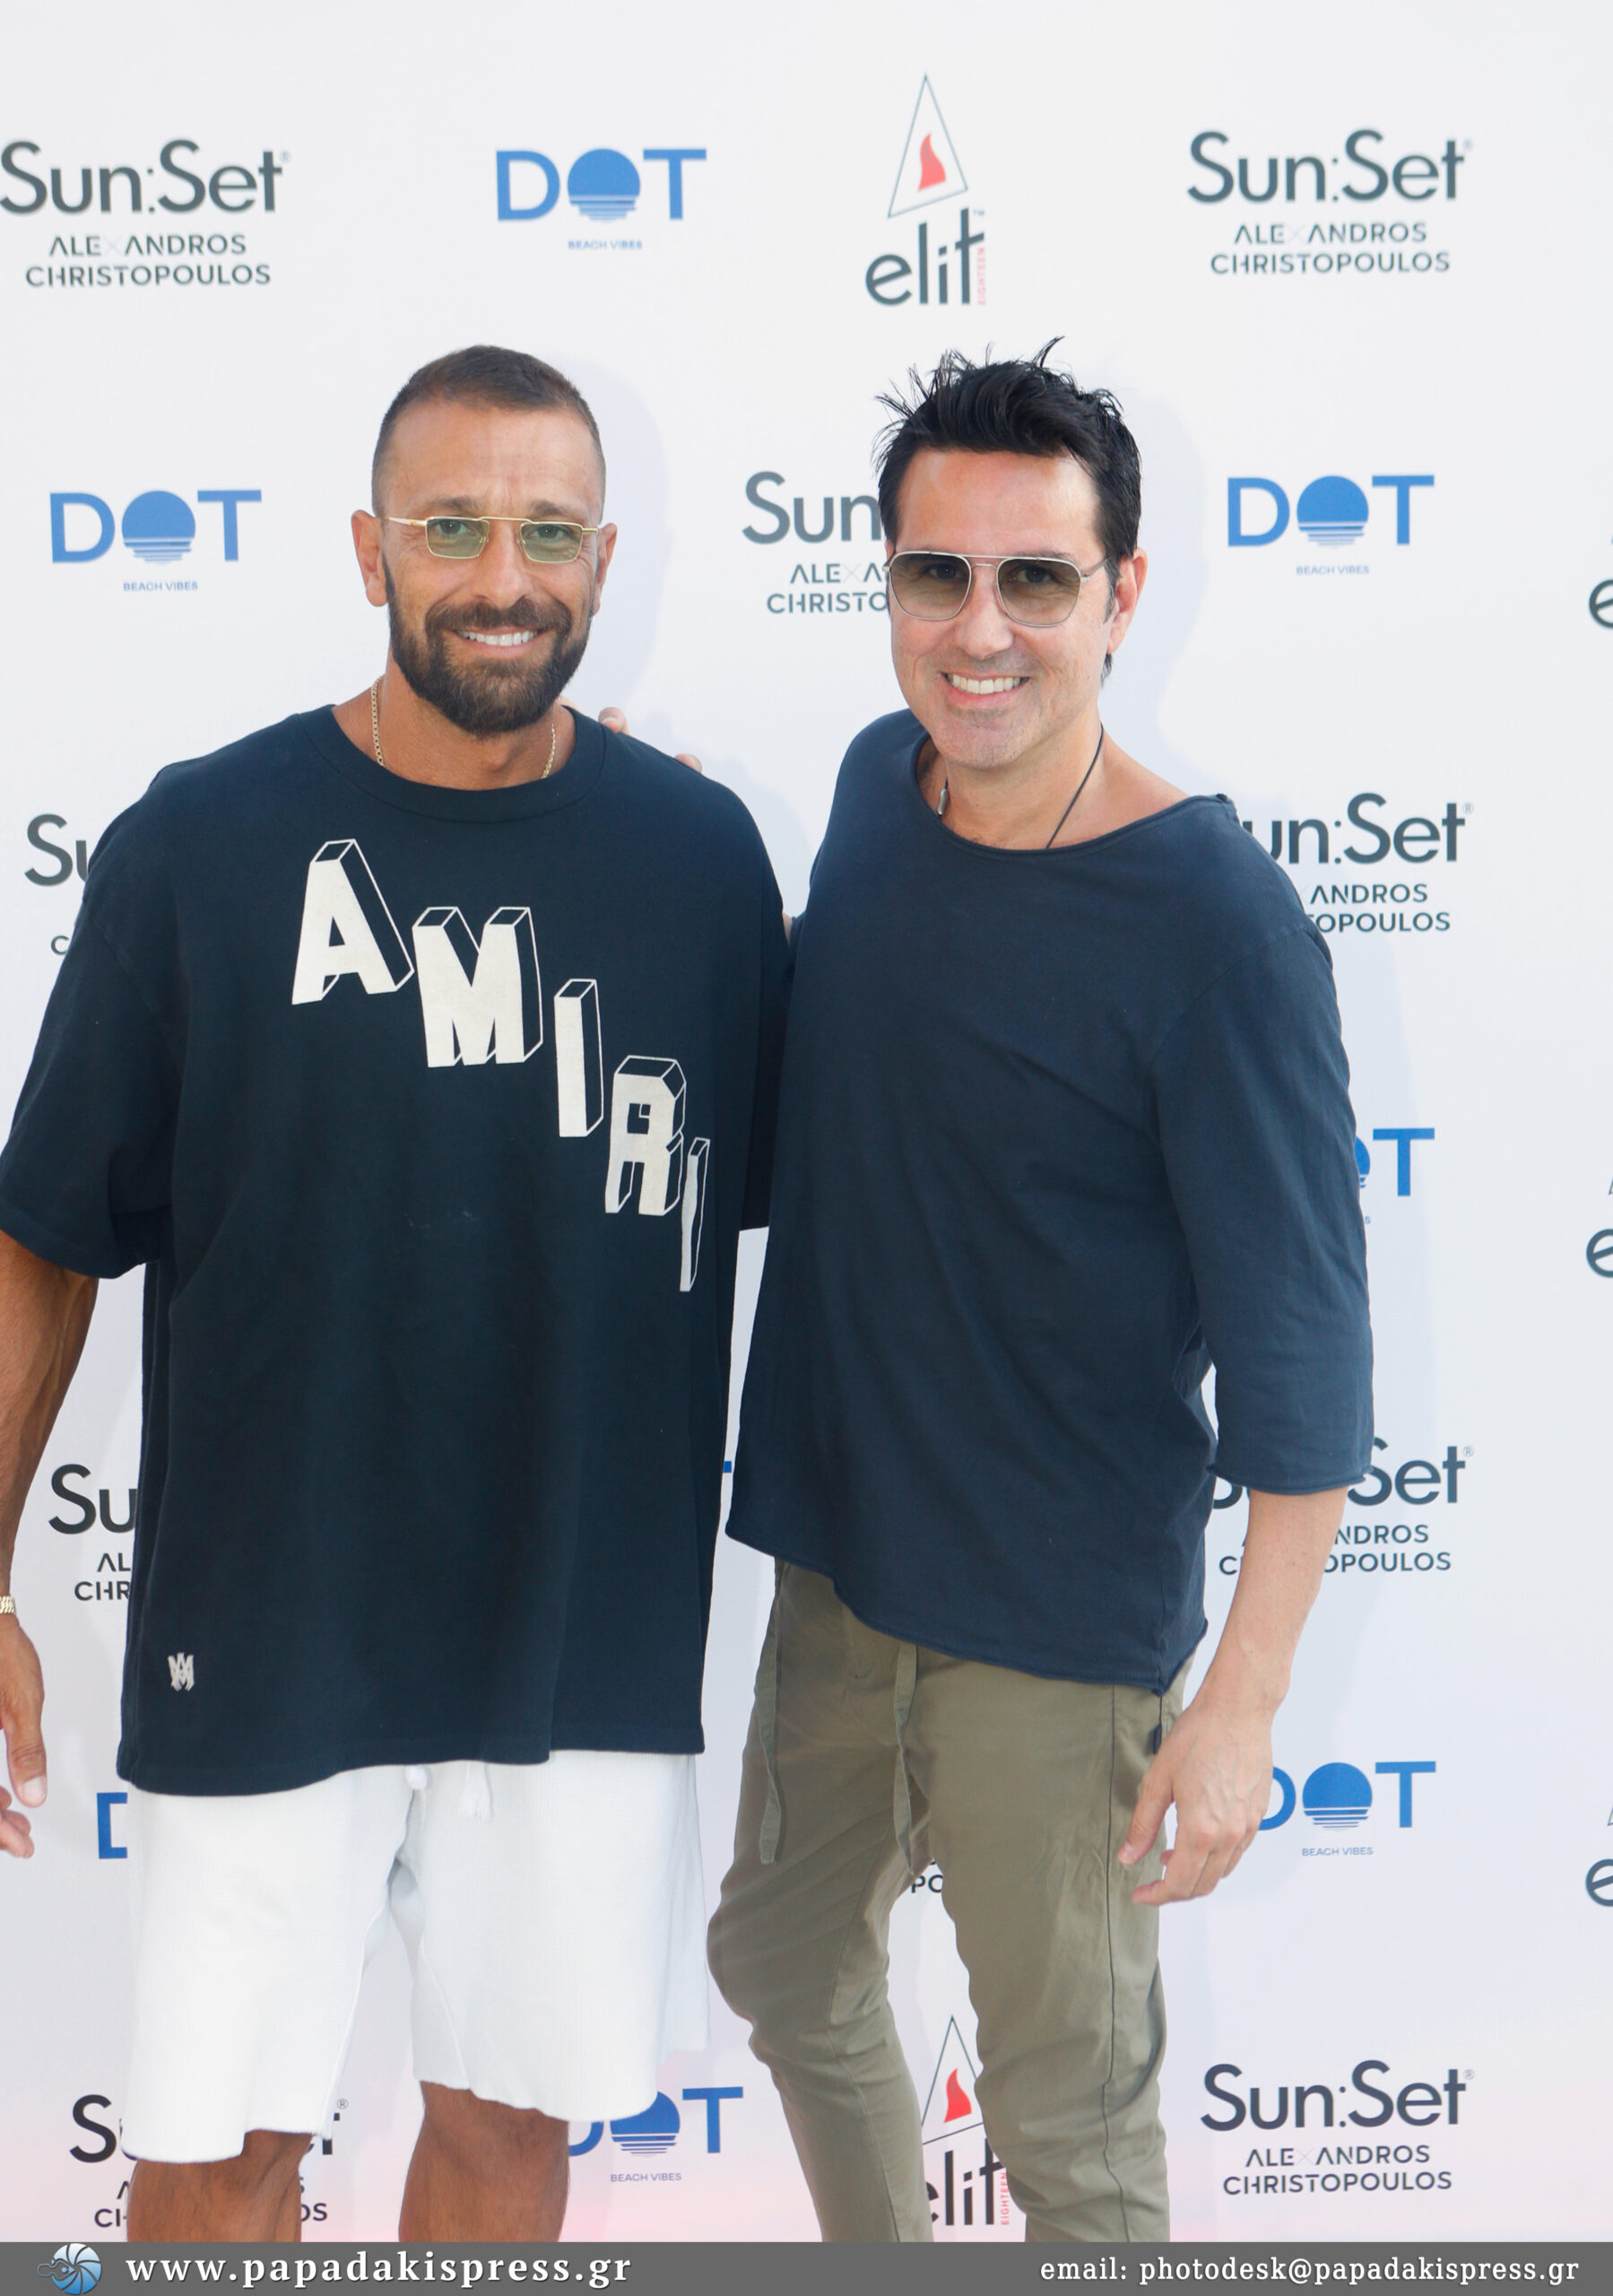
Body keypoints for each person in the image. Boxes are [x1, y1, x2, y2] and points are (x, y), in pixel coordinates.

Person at [0, 344, 788, 2241]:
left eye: (546, 533)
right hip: (272, 1620)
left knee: (511, 2132)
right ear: (369, 551)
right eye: (451, 528)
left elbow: (809, 1221)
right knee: (218, 2155)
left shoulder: (702, 862)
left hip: (583, 1638)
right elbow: (44, 1237)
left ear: (605, 561)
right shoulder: (198, 845)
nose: (501, 577)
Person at [706, 347, 1373, 2242]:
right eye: (937, 574)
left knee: (1071, 2135)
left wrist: (1237, 1709)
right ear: (889, 582)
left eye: (1036, 580)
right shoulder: (878, 785)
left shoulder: (1218, 925)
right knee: (781, 1968)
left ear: (1122, 593)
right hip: (841, 1578)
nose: (979, 629)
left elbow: (1307, 1358)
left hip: (1055, 1635)